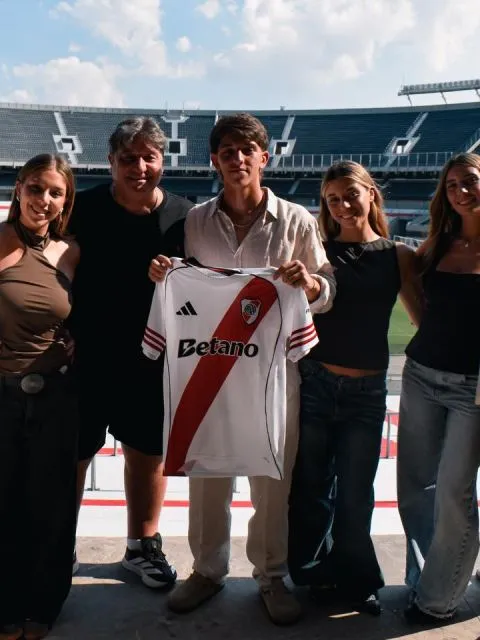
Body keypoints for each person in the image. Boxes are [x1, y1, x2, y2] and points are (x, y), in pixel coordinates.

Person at [149, 112, 336, 625]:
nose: (237, 159)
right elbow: (188, 290)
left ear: (264, 157)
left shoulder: (296, 220)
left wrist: (310, 285)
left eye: (246, 150)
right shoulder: (195, 221)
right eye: (227, 151)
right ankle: (207, 570)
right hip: (208, 370)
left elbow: (325, 288)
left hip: (273, 375)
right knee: (207, 475)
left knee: (271, 479)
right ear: (214, 160)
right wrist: (165, 274)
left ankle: (271, 575)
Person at [287, 160, 422, 616]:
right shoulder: (318, 253)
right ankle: (314, 573)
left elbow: (424, 319)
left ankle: (357, 577)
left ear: (371, 194)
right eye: (332, 200)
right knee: (311, 488)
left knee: (356, 493)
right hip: (316, 382)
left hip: (367, 393)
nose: (343, 206)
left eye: (350, 195)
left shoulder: (398, 255)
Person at [70, 117, 193, 587]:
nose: (139, 167)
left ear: (163, 161)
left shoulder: (185, 215)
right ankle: (59, 544)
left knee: (147, 454)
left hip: (152, 359)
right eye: (128, 158)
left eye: (149, 158)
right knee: (73, 453)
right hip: (86, 355)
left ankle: (141, 546)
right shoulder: (82, 209)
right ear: (111, 162)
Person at [397, 152, 480, 624]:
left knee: (453, 493)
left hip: (473, 389)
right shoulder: (438, 243)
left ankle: (439, 600)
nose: (460, 191)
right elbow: (419, 300)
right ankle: (425, 578)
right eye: (451, 185)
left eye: (470, 181)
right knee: (414, 488)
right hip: (422, 375)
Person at [0, 154, 80, 640]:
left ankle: (43, 604)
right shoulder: (0, 239)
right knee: (4, 505)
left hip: (56, 397)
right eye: (36, 188)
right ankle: (6, 604)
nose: (43, 200)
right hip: (3, 396)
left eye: (56, 193)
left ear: (65, 202)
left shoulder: (72, 252)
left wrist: (76, 340)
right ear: (18, 188)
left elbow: (82, 315)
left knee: (50, 508)